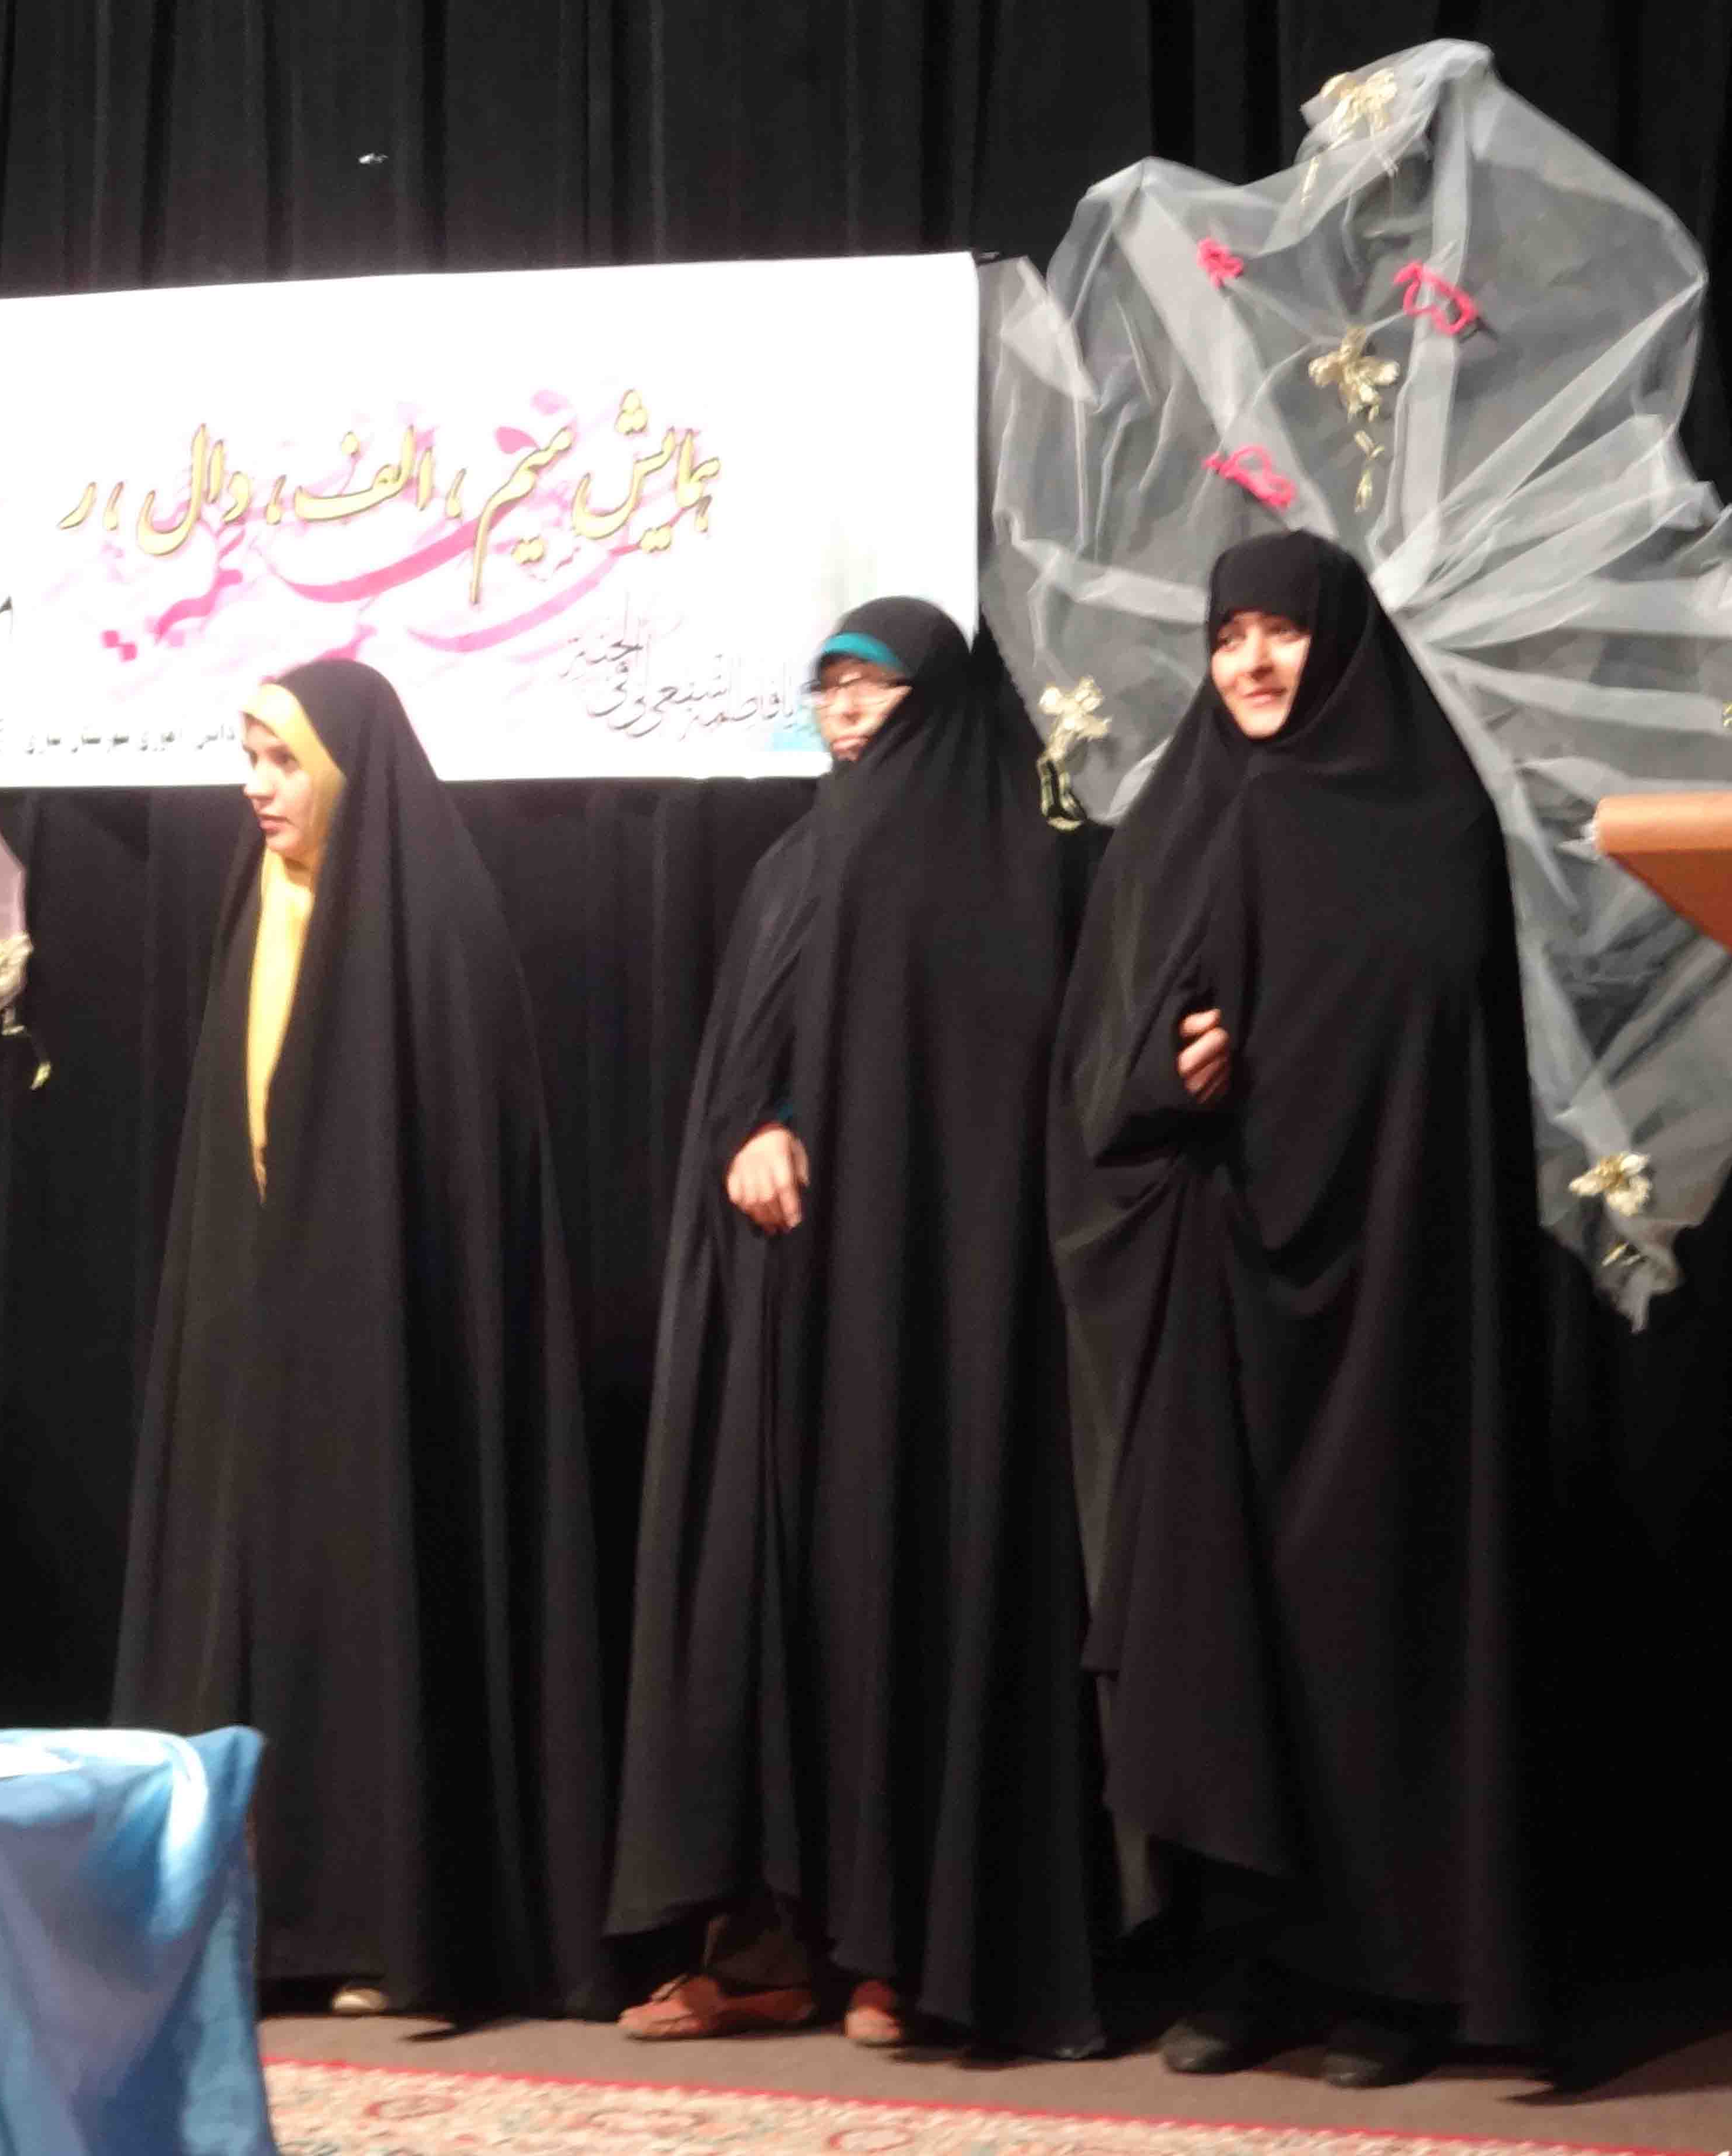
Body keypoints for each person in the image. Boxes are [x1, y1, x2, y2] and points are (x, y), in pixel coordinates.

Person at [1050, 530, 1546, 2088]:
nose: (1253, 663)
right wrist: (1165, 1074)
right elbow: (1095, 1066)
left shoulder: (1431, 817)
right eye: (1228, 637)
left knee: (1374, 1629)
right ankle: (1250, 1966)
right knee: (1225, 1635)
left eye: (1281, 632)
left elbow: (1445, 1033)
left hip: (1392, 1295)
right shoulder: (1175, 818)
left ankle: (1398, 1983)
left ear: (1342, 643)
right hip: (1224, 1296)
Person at [608, 599, 1110, 2057]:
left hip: (959, 1320)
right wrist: (752, 1127)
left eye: (872, 687)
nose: (841, 709)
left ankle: (910, 1952)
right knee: (783, 1606)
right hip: (804, 1305)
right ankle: (775, 1944)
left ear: (940, 701)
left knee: (927, 1595)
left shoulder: (1037, 868)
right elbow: (745, 1062)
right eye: (826, 686)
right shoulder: (795, 864)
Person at [113, 659, 612, 2024]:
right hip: (256, 1333)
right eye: (248, 758)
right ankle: (248, 1918)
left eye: (283, 761)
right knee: (246, 1602)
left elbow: (463, 1184)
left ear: (346, 770)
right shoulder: (255, 911)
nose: (256, 787)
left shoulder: (435, 925)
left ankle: (388, 1925)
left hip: (387, 1346)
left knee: (375, 1602)